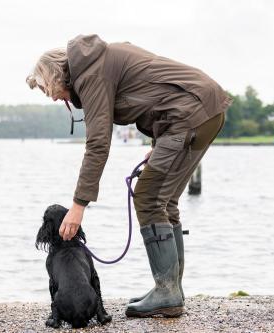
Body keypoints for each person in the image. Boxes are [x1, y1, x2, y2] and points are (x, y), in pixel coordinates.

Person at [26, 34, 231, 318]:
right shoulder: (101, 61)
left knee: (148, 197)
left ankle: (167, 292)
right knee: (165, 200)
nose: (51, 96)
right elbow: (157, 96)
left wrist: (78, 205)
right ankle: (171, 290)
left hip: (190, 115)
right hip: (203, 110)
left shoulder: (92, 75)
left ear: (56, 76)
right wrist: (158, 146)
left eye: (47, 89)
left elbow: (98, 143)